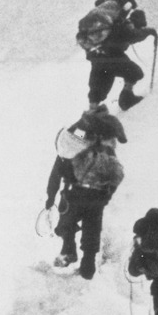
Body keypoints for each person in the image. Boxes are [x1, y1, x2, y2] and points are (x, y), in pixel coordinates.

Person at [44, 105, 126, 279]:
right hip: (96, 195)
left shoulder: (75, 140)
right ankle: (86, 264)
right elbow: (115, 174)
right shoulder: (104, 143)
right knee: (91, 226)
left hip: (74, 192)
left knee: (67, 220)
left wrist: (51, 197)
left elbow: (58, 169)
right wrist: (107, 195)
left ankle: (70, 252)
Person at [77, 0, 157, 110]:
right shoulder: (122, 23)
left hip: (96, 56)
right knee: (135, 72)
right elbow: (131, 35)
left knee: (99, 85)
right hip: (111, 56)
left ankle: (91, 113)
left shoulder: (109, 19)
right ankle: (126, 98)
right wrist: (148, 32)